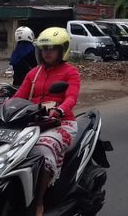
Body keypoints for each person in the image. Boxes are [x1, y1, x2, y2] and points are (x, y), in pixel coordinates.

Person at [12, 27, 81, 216]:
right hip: (32, 122)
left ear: (62, 50)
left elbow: (71, 98)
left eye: (52, 48)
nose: (47, 52)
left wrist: (59, 110)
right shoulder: (33, 73)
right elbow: (18, 97)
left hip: (61, 123)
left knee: (43, 149)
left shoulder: (71, 72)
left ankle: (39, 201)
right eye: (44, 48)